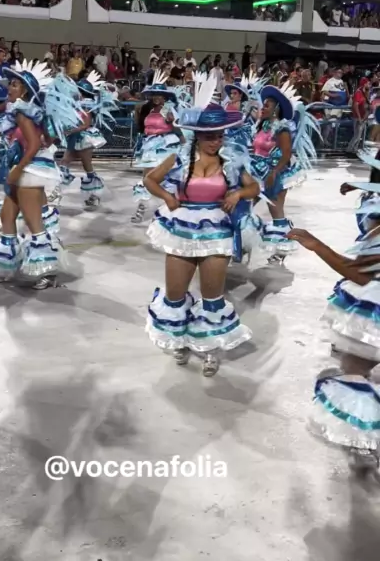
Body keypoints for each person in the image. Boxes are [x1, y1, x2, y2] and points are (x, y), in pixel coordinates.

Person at [145, 74, 259, 376]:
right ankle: (180, 341)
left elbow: (254, 188)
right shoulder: (180, 157)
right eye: (210, 136)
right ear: (197, 135)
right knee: (175, 296)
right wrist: (168, 198)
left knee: (212, 299)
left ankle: (208, 349)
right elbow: (150, 180)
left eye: (219, 135)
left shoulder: (230, 161)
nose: (215, 141)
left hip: (217, 233)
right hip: (181, 230)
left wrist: (237, 194)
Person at [287, 150, 380, 469]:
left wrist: (316, 245)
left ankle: (369, 443)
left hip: (373, 313)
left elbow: (359, 273)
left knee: (356, 376)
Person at [0, 62, 73, 289]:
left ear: (25, 91)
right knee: (6, 216)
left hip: (29, 169)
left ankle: (48, 272)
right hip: (22, 166)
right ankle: (7, 266)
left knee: (34, 223)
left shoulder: (23, 112)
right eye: (10, 84)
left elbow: (33, 145)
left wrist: (17, 169)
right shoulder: (23, 111)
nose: (9, 88)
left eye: (14, 85)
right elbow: (41, 141)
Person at [250, 82, 317, 264]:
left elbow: (286, 154)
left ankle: (282, 249)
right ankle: (243, 242)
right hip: (257, 172)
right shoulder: (262, 125)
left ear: (276, 109)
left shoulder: (282, 128)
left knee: (276, 212)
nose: (263, 107)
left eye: (267, 105)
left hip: (275, 173)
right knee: (246, 207)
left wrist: (274, 172)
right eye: (263, 104)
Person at [131, 73, 186, 225]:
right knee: (147, 179)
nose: (156, 97)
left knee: (160, 179)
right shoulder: (149, 109)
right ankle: (144, 208)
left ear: (164, 96)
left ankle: (166, 210)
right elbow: (142, 128)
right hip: (149, 146)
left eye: (159, 95)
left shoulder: (168, 109)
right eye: (154, 94)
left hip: (165, 146)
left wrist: (182, 139)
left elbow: (176, 127)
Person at [59, 72, 117, 211]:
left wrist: (70, 130)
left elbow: (85, 125)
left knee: (87, 166)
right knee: (64, 163)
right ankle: (56, 191)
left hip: (84, 137)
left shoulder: (87, 105)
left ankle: (95, 195)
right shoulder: (77, 104)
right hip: (74, 137)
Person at [348, 77, 370, 153]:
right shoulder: (358, 92)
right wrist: (359, 117)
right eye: (368, 83)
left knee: (359, 135)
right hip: (358, 117)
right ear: (364, 84)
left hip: (363, 117)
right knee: (357, 135)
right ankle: (349, 150)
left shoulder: (366, 92)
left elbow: (367, 105)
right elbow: (355, 106)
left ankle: (354, 150)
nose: (369, 85)